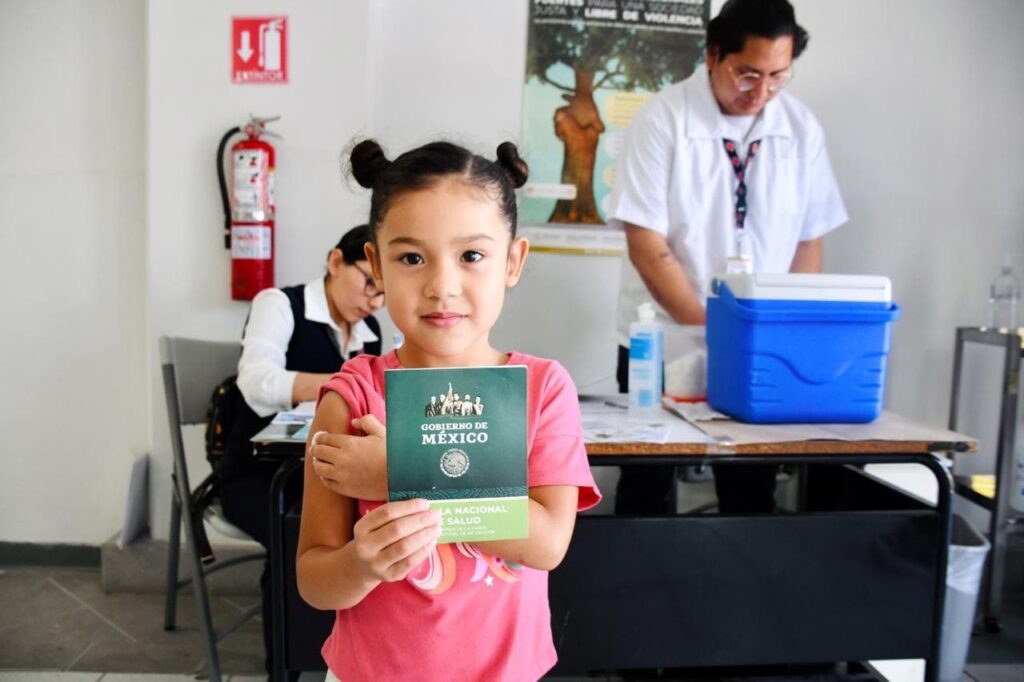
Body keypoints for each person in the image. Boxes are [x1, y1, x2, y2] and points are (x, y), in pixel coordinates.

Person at [296, 139, 601, 681]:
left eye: (472, 256)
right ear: (376, 265)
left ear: (512, 261)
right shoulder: (353, 397)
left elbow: (547, 542)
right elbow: (315, 580)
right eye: (411, 258)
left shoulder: (542, 389)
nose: (442, 286)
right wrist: (358, 565)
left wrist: (398, 471)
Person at [608, 0, 848, 515]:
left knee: (750, 484)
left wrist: (776, 331)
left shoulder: (800, 128)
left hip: (761, 347)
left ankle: (739, 592)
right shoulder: (663, 119)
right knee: (648, 483)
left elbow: (809, 239)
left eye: (778, 77)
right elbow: (647, 244)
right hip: (663, 342)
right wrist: (714, 332)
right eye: (748, 75)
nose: (761, 93)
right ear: (713, 54)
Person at [218, 224, 385, 675]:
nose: (373, 301)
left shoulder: (369, 333)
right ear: (335, 262)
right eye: (368, 281)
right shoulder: (280, 304)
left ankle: (351, 655)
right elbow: (254, 382)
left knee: (373, 528)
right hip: (257, 472)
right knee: (293, 533)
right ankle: (287, 666)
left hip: (326, 473)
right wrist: (340, 388)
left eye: (382, 292)